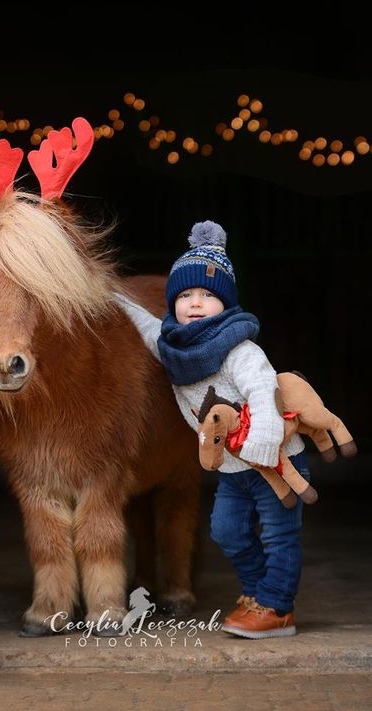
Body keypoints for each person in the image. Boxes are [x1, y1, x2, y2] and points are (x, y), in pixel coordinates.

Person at [115, 220, 310, 639]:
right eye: (185, 295)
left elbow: (262, 389)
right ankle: (260, 593)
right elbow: (145, 326)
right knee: (226, 531)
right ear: (173, 305)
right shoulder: (173, 345)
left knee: (278, 536)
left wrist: (263, 438)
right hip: (233, 471)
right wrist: (109, 295)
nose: (196, 303)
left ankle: (276, 607)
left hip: (273, 462)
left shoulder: (240, 348)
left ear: (227, 304)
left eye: (208, 294)